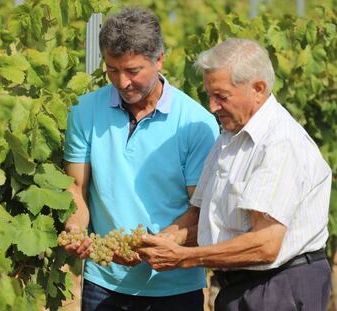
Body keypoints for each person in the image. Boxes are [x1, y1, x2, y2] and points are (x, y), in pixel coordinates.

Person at [138, 38, 332, 311]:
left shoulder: (279, 144)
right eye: (209, 95)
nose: (212, 106)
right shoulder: (229, 138)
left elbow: (265, 245)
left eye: (221, 96)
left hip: (279, 288)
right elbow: (200, 217)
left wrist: (184, 258)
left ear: (258, 89)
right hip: (243, 286)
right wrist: (158, 243)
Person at [62, 7, 220, 311]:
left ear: (159, 59)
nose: (122, 82)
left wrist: (153, 246)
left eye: (133, 71)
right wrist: (76, 229)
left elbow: (200, 210)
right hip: (104, 282)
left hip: (176, 287)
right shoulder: (84, 112)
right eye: (112, 70)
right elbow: (75, 189)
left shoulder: (195, 124)